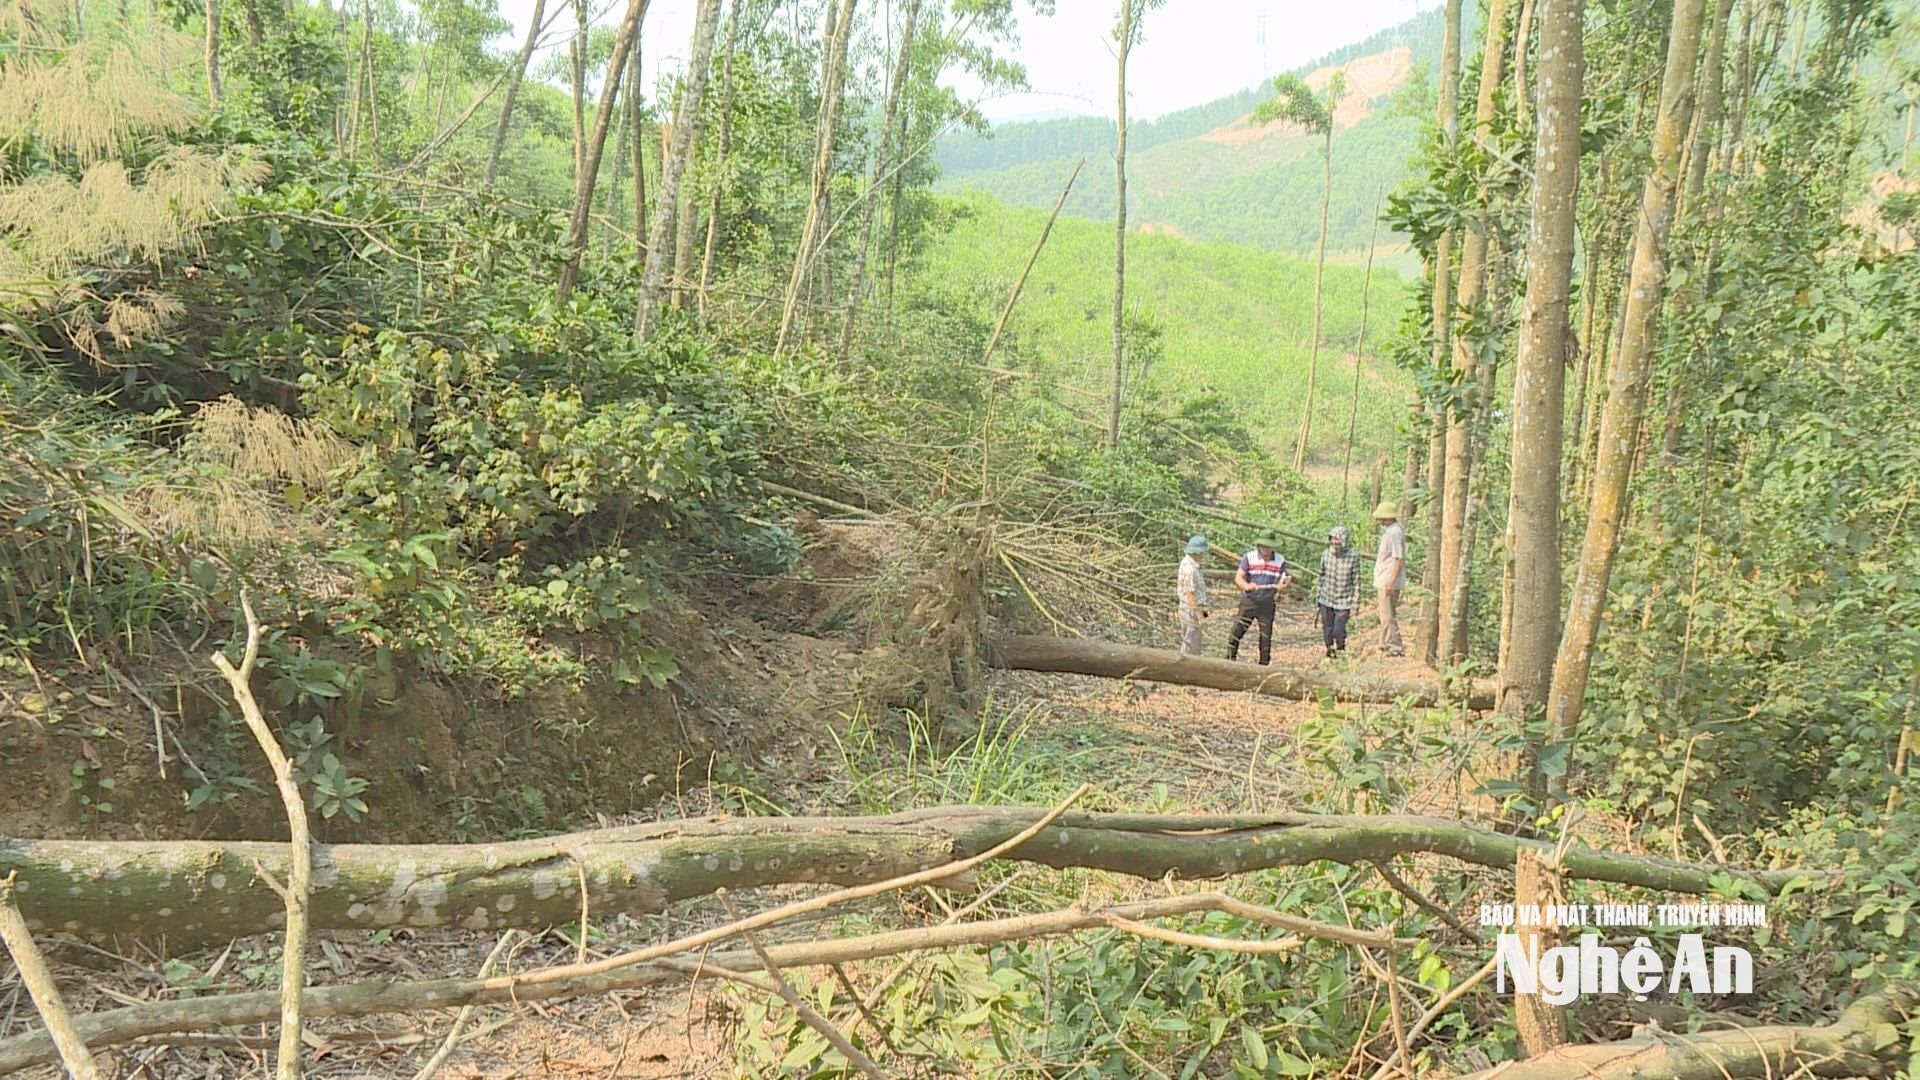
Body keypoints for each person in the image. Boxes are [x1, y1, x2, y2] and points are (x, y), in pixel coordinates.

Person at [1226, 535, 1289, 666]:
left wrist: (1282, 587)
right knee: (1236, 632)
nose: (1266, 549)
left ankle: (1263, 666)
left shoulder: (1280, 560)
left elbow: (1284, 581)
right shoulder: (1249, 557)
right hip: (1249, 600)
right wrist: (1246, 585)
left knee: (1265, 637)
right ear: (1259, 546)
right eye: (1263, 546)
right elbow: (1238, 577)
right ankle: (1229, 661)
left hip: (1267, 602)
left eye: (1268, 546)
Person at [1317, 525, 1362, 659]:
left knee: (1338, 629)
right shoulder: (1325, 555)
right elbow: (1321, 575)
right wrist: (1318, 595)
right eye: (1333, 539)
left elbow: (1356, 581)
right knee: (1327, 629)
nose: (1335, 542)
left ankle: (1341, 647)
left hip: (1344, 601)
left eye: (1337, 539)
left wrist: (1355, 604)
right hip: (1326, 598)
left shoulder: (1353, 556)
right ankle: (1330, 651)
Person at [1372, 502, 1407, 657]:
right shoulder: (1390, 531)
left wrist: (1391, 582)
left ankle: (1395, 646)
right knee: (1384, 614)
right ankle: (1384, 642)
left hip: (1388, 579)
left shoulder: (1395, 533)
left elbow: (1398, 559)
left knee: (1388, 616)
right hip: (1384, 577)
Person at [1177, 535, 1210, 656]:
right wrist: (1200, 616)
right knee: (1190, 644)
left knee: (1195, 642)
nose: (1203, 556)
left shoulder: (1192, 565)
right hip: (1191, 610)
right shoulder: (1189, 569)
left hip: (1195, 608)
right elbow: (1190, 595)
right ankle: (1184, 665)